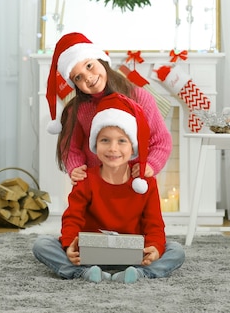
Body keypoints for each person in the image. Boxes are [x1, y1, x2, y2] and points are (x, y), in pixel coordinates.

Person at [33, 93, 185, 283]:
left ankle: (138, 273)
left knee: (175, 250)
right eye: (105, 140)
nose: (113, 148)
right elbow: (72, 218)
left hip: (133, 256)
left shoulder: (146, 183)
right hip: (90, 255)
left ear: (133, 147)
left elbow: (154, 224)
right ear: (95, 145)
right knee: (42, 244)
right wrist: (69, 245)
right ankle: (84, 272)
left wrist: (154, 248)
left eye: (122, 141)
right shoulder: (86, 179)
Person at [45, 32, 172, 183]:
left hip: (135, 181)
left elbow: (161, 140)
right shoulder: (78, 109)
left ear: (101, 60)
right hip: (96, 184)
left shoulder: (139, 98)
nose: (88, 77)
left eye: (89, 66)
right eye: (78, 77)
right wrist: (76, 167)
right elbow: (70, 147)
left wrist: (151, 164)